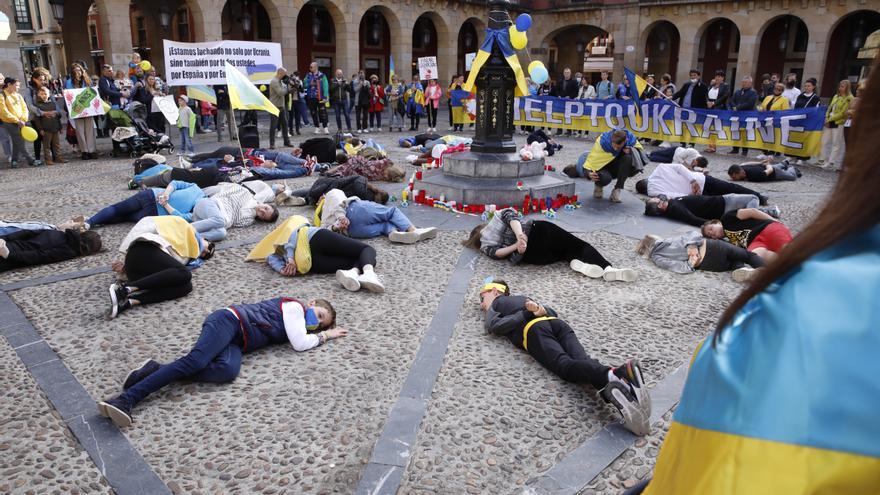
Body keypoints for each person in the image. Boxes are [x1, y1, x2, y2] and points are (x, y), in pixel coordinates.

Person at [633, 68, 880, 494]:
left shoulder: (732, 218)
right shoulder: (812, 286)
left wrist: (765, 215)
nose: (854, 105)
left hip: (767, 237)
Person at [97, 296, 344, 427]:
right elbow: (300, 344)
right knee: (195, 362)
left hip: (237, 342)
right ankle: (125, 400)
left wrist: (318, 333)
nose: (317, 321)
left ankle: (154, 370)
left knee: (227, 370)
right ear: (311, 303)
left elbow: (300, 338)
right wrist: (324, 335)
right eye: (320, 315)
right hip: (229, 321)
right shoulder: (295, 308)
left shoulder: (300, 321)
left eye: (320, 323)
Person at [479, 279, 651, 436]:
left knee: (564, 366)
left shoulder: (498, 302)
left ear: (494, 290)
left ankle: (616, 374)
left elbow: (493, 325)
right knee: (584, 364)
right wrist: (538, 310)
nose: (481, 305)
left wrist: (526, 314)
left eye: (482, 297)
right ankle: (626, 390)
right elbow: (551, 311)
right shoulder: (524, 298)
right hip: (557, 324)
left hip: (534, 330)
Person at [463, 208, 638, 282]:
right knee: (576, 245)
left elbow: (498, 253)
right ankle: (607, 268)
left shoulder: (485, 246)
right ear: (482, 227)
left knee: (564, 253)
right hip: (537, 232)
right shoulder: (494, 222)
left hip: (533, 257)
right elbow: (510, 216)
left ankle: (581, 265)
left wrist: (517, 245)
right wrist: (520, 236)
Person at [107, 215, 215, 318]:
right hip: (142, 250)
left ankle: (129, 301)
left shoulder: (189, 257)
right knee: (185, 273)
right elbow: (146, 223)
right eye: (210, 246)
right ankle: (123, 289)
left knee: (186, 287)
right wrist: (123, 256)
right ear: (204, 237)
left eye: (206, 255)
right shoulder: (185, 226)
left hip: (140, 274)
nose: (206, 251)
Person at [249, 215, 385, 292]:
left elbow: (271, 258)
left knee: (360, 259)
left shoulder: (273, 250)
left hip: (310, 264)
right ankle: (368, 274)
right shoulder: (294, 220)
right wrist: (290, 258)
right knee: (366, 250)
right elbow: (294, 234)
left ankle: (353, 273)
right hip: (315, 238)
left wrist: (282, 269)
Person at [318, 188, 437, 243]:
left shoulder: (321, 218)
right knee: (391, 212)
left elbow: (324, 231)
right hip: (355, 210)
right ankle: (413, 230)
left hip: (353, 232)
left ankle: (393, 233)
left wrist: (335, 227)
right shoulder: (331, 194)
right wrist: (341, 217)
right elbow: (339, 204)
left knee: (384, 226)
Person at [639, 231, 764, 281]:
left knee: (733, 262)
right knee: (748, 255)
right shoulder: (668, 240)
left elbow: (674, 266)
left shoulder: (656, 258)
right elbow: (694, 234)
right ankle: (774, 273)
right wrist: (691, 246)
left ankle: (740, 270)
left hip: (707, 264)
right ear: (655, 239)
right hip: (711, 247)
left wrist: (690, 264)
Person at [562, 129, 646, 203]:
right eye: (614, 146)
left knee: (628, 158)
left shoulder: (631, 140)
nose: (615, 149)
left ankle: (617, 189)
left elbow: (641, 156)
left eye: (618, 147)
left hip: (618, 168)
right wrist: (588, 173)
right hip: (603, 168)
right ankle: (599, 185)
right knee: (604, 178)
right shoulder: (602, 141)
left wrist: (631, 150)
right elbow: (590, 161)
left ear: (625, 141)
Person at [84, 180, 206, 228]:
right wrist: (166, 197)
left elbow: (175, 184)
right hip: (155, 213)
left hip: (151, 196)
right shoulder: (199, 211)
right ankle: (91, 222)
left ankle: (90, 222)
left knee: (117, 209)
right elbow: (180, 218)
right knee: (123, 216)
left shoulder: (196, 188)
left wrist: (166, 194)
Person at [635, 162, 767, 204]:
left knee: (725, 200)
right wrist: (692, 180)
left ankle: (749, 202)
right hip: (700, 180)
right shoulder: (659, 168)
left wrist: (691, 196)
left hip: (696, 195)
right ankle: (759, 197)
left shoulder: (652, 192)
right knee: (732, 187)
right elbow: (680, 168)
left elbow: (672, 196)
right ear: (645, 179)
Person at [190, 182, 279, 241]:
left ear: (261, 218)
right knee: (221, 220)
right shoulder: (245, 192)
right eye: (265, 208)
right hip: (210, 205)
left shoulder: (248, 221)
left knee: (222, 233)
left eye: (263, 214)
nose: (262, 210)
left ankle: (192, 238)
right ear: (265, 203)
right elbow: (222, 194)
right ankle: (185, 229)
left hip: (209, 221)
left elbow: (230, 224)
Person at [701, 208, 792, 263]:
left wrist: (775, 221)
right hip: (756, 243)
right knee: (756, 257)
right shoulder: (729, 242)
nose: (712, 233)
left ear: (716, 222)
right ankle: (786, 264)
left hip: (765, 229)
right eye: (711, 235)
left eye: (711, 229)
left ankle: (793, 260)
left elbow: (752, 212)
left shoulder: (727, 219)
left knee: (789, 252)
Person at [0, 228, 102, 272]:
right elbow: (40, 256)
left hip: (10, 248)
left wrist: (4, 238)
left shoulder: (58, 233)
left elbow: (27, 233)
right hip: (10, 256)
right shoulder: (69, 251)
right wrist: (9, 255)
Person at [643, 194, 777, 227]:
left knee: (749, 206)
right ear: (660, 206)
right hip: (723, 203)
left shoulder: (672, 205)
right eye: (657, 199)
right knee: (753, 198)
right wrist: (715, 224)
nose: (658, 197)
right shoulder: (674, 208)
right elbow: (693, 219)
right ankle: (757, 219)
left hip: (720, 203)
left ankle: (769, 213)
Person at [0, 77, 40, 168]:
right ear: (9, 85)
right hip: (10, 123)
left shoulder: (18, 95)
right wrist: (17, 121)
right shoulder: (2, 96)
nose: (18, 87)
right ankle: (30, 160)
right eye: (16, 85)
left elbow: (24, 108)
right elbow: (3, 112)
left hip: (21, 122)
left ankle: (14, 160)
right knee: (20, 140)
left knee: (16, 141)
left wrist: (23, 119)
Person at [281, 174, 389, 207]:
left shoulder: (362, 181)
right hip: (331, 193)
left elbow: (340, 182)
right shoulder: (366, 199)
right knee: (312, 194)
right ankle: (304, 200)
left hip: (328, 186)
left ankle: (289, 193)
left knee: (312, 192)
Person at [64, 64, 98, 160]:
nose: (78, 72)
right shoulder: (69, 82)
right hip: (77, 109)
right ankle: (84, 151)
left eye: (79, 70)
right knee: (80, 131)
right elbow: (68, 95)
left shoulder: (87, 80)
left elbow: (92, 93)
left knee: (89, 130)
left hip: (88, 108)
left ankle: (91, 150)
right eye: (75, 70)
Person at [818, 79, 852, 171]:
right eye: (840, 86)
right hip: (829, 120)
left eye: (843, 86)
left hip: (838, 122)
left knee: (835, 143)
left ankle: (831, 162)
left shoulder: (849, 98)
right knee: (824, 141)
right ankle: (822, 159)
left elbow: (843, 113)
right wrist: (826, 118)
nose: (840, 88)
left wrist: (830, 119)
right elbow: (829, 108)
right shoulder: (836, 96)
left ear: (847, 88)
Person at [727, 75, 758, 156]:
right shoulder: (737, 92)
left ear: (750, 83)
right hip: (736, 115)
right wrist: (733, 106)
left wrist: (737, 107)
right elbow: (731, 100)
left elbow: (750, 103)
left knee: (745, 133)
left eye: (745, 82)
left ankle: (745, 150)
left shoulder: (753, 92)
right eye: (743, 82)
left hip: (746, 115)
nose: (743, 84)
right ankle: (735, 148)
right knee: (735, 131)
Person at [33, 86, 65, 165]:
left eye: (45, 94)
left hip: (55, 128)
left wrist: (60, 127)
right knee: (46, 146)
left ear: (49, 94)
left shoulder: (53, 104)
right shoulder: (38, 106)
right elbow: (37, 119)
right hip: (46, 129)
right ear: (38, 95)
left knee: (57, 145)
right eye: (42, 94)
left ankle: (58, 157)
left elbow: (58, 117)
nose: (44, 95)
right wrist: (40, 129)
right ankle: (48, 159)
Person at [705, 70, 729, 153]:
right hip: (709, 107)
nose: (717, 78)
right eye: (716, 76)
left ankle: (714, 146)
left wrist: (714, 103)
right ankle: (709, 144)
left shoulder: (725, 86)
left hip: (718, 107)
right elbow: (706, 94)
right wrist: (707, 102)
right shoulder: (711, 85)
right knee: (709, 127)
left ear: (723, 78)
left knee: (716, 127)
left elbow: (724, 96)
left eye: (719, 76)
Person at [268, 67, 291, 148]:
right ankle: (272, 144)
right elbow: (280, 93)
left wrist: (288, 86)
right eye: (284, 74)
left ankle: (286, 142)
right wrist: (288, 88)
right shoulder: (274, 81)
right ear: (280, 73)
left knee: (285, 125)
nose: (285, 76)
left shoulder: (280, 81)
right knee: (273, 126)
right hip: (274, 106)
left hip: (281, 106)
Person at [304, 62, 329, 134]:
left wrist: (325, 96)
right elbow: (304, 84)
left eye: (311, 67)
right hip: (311, 97)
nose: (310, 68)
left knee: (323, 112)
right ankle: (317, 127)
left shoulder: (322, 75)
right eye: (310, 67)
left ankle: (325, 127)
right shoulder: (308, 75)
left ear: (316, 67)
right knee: (313, 112)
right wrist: (309, 84)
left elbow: (326, 86)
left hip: (320, 97)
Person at [727, 159, 800, 182]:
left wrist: (767, 164)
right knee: (775, 166)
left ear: (741, 172)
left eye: (734, 177)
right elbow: (747, 163)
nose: (733, 179)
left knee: (792, 177)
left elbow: (770, 170)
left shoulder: (756, 176)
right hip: (763, 166)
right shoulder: (741, 167)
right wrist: (760, 162)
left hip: (774, 172)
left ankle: (792, 168)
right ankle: (783, 164)